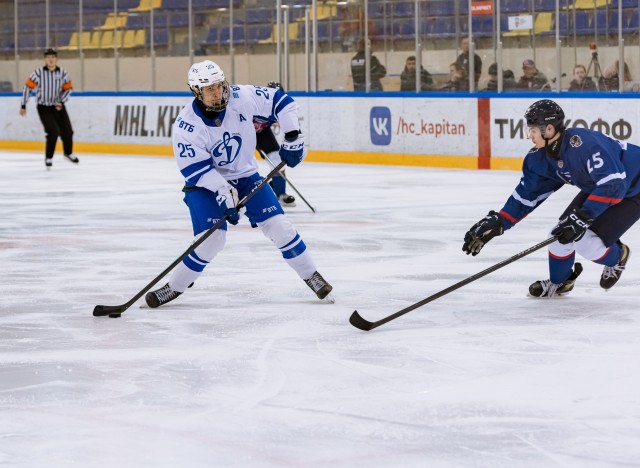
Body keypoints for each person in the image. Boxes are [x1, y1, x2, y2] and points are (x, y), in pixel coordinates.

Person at [145, 60, 333, 308]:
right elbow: (195, 169)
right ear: (196, 92)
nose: (217, 93)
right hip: (205, 185)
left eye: (219, 86)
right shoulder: (186, 125)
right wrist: (223, 191)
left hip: (245, 176)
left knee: (280, 226)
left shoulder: (241, 96)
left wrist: (292, 137)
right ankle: (175, 287)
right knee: (212, 240)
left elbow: (282, 101)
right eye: (209, 89)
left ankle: (312, 276)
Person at [462, 99, 640, 298]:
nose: (530, 136)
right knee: (559, 235)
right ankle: (560, 282)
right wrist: (501, 221)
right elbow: (527, 195)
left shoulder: (583, 144)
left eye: (533, 130)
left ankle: (618, 256)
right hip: (601, 187)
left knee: (585, 242)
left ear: (548, 129)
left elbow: (614, 184)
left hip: (634, 189)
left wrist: (583, 216)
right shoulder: (541, 158)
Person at [19, 48, 78, 168]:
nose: (51, 59)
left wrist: (61, 101)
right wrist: (23, 104)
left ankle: (68, 153)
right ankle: (49, 157)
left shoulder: (63, 73)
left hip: (58, 106)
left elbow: (68, 89)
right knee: (53, 132)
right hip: (44, 107)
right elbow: (28, 88)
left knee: (68, 131)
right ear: (45, 59)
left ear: (57, 59)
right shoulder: (38, 73)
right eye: (48, 57)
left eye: (53, 57)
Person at [254, 81, 296, 207]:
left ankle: (280, 193)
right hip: (241, 133)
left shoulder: (281, 105)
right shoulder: (253, 103)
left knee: (277, 160)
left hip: (262, 132)